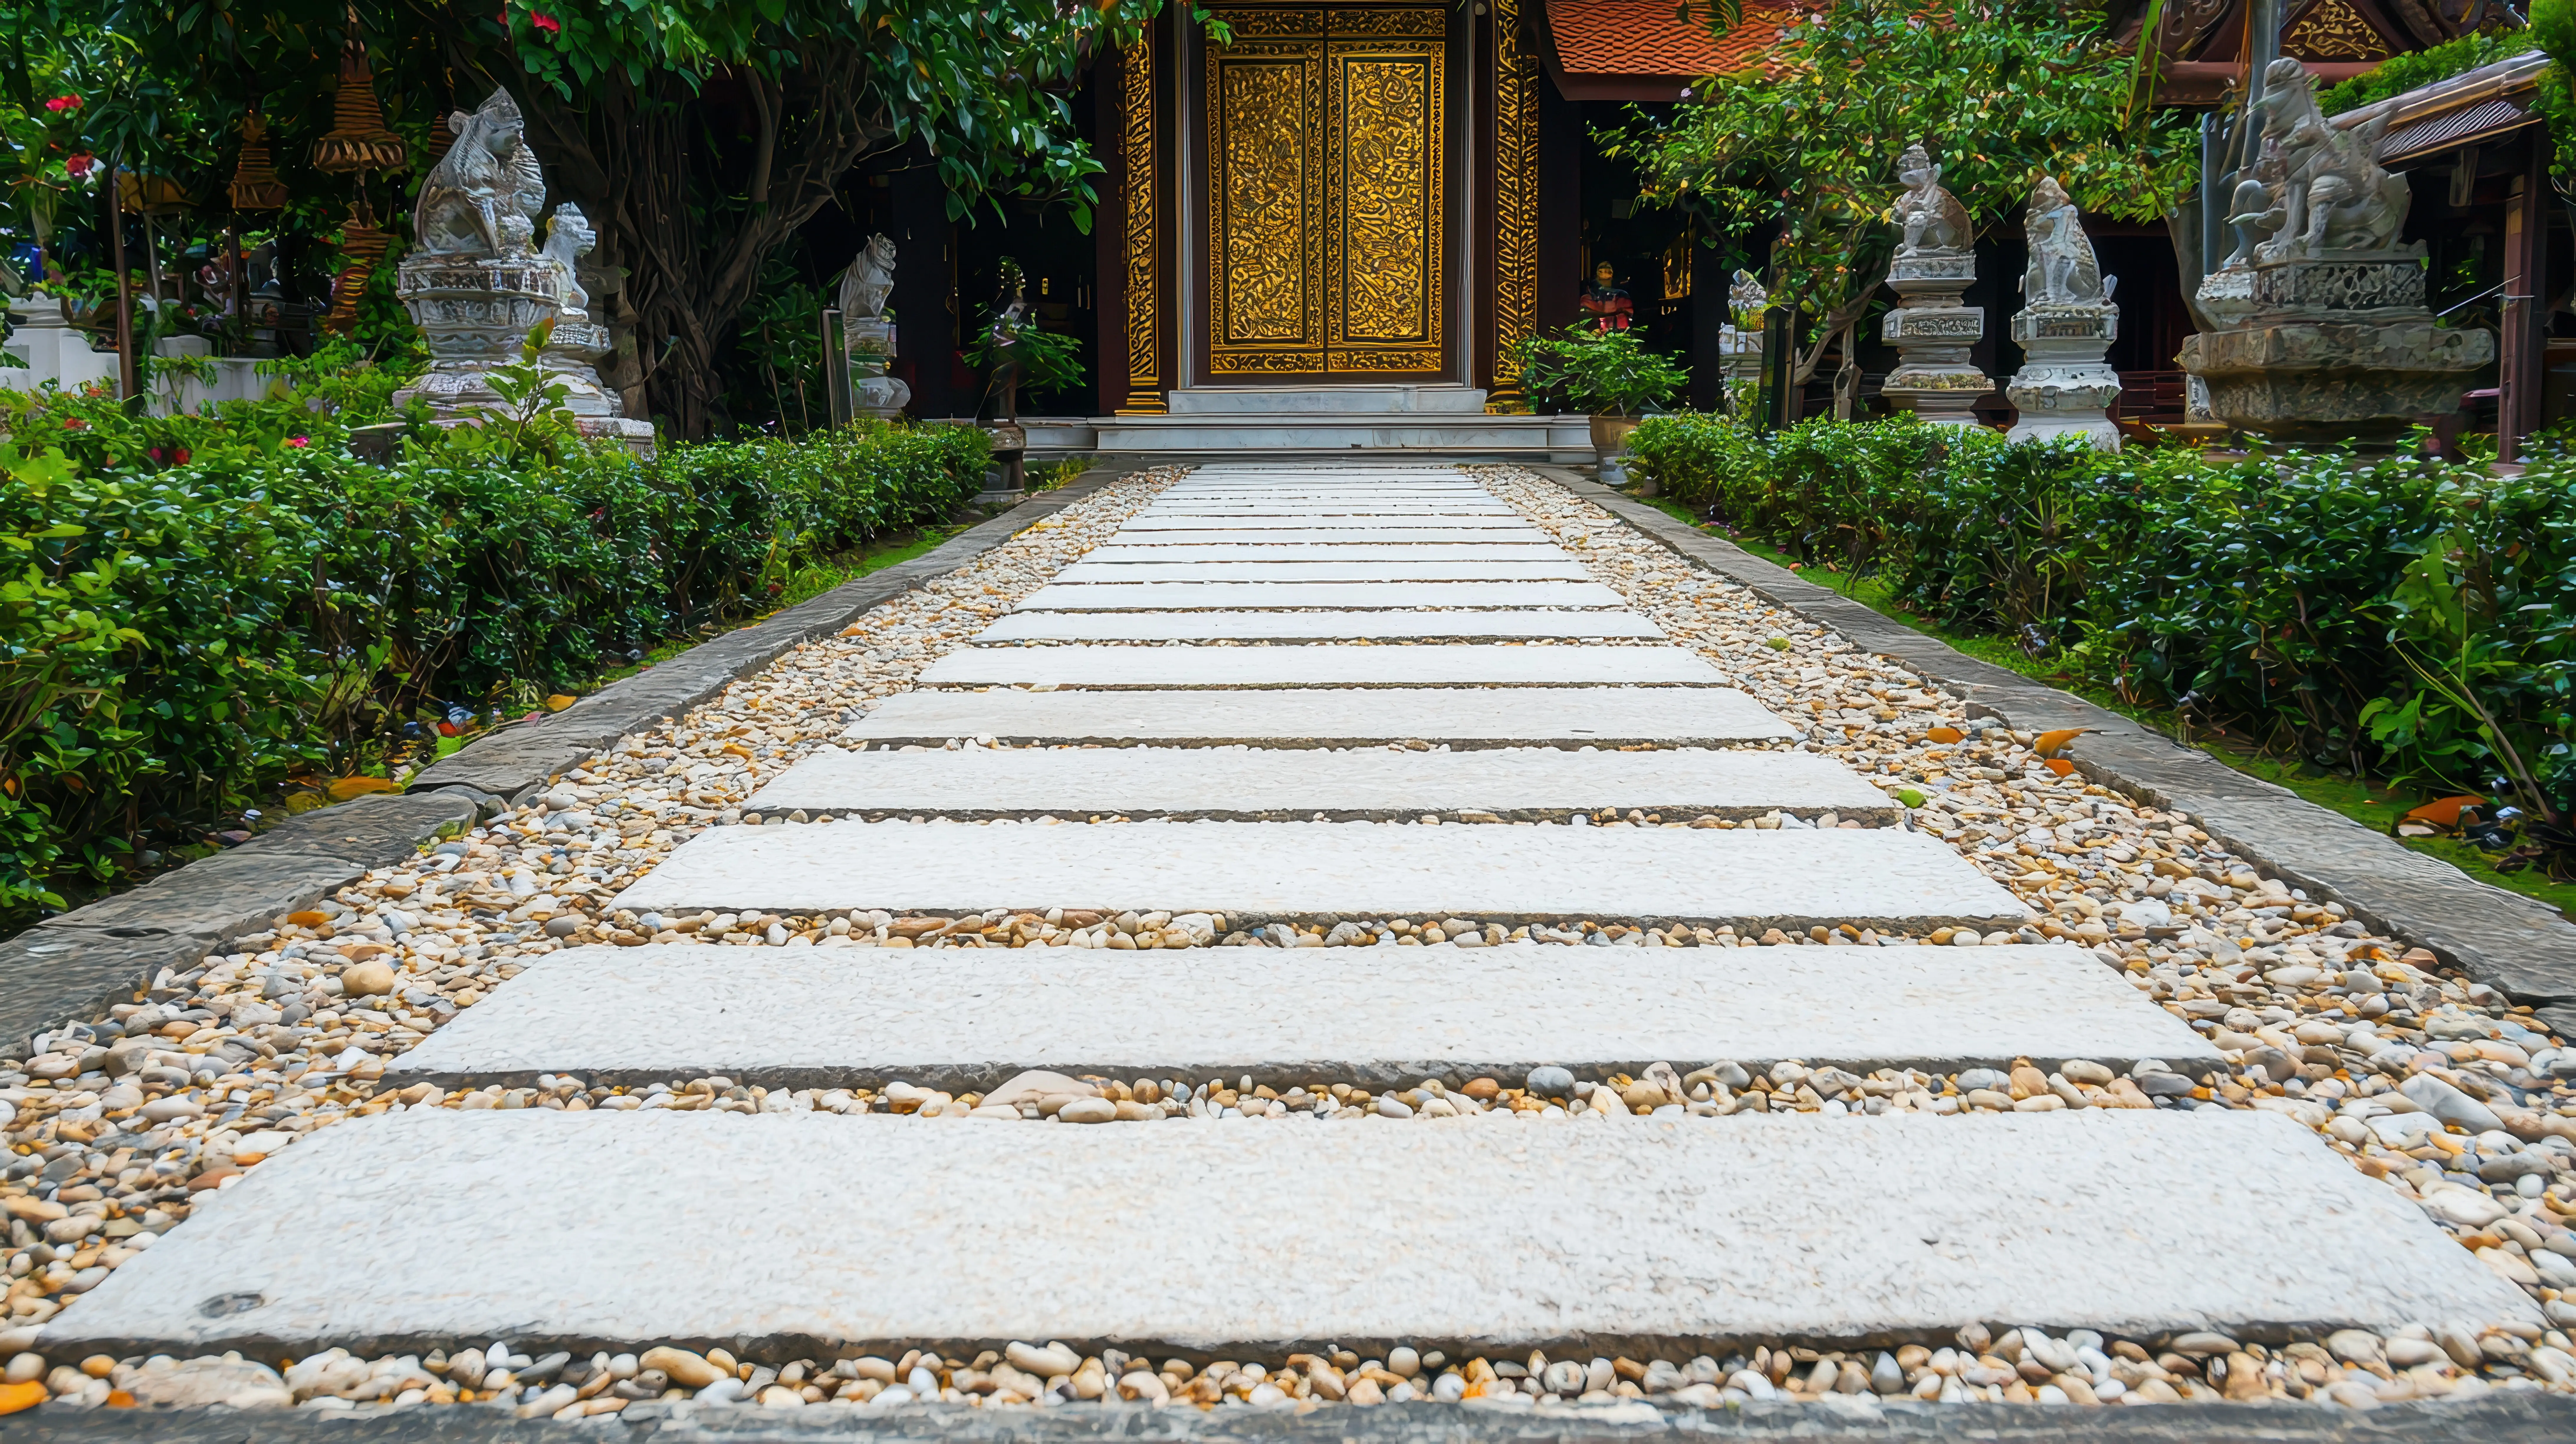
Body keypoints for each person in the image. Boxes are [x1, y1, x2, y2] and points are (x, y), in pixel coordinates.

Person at [1578, 262, 1632, 333]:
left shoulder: (1622, 296)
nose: (1605, 272)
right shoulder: (1587, 299)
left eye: (1608, 271)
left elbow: (1629, 316)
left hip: (1618, 335)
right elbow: (1583, 316)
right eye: (1602, 271)